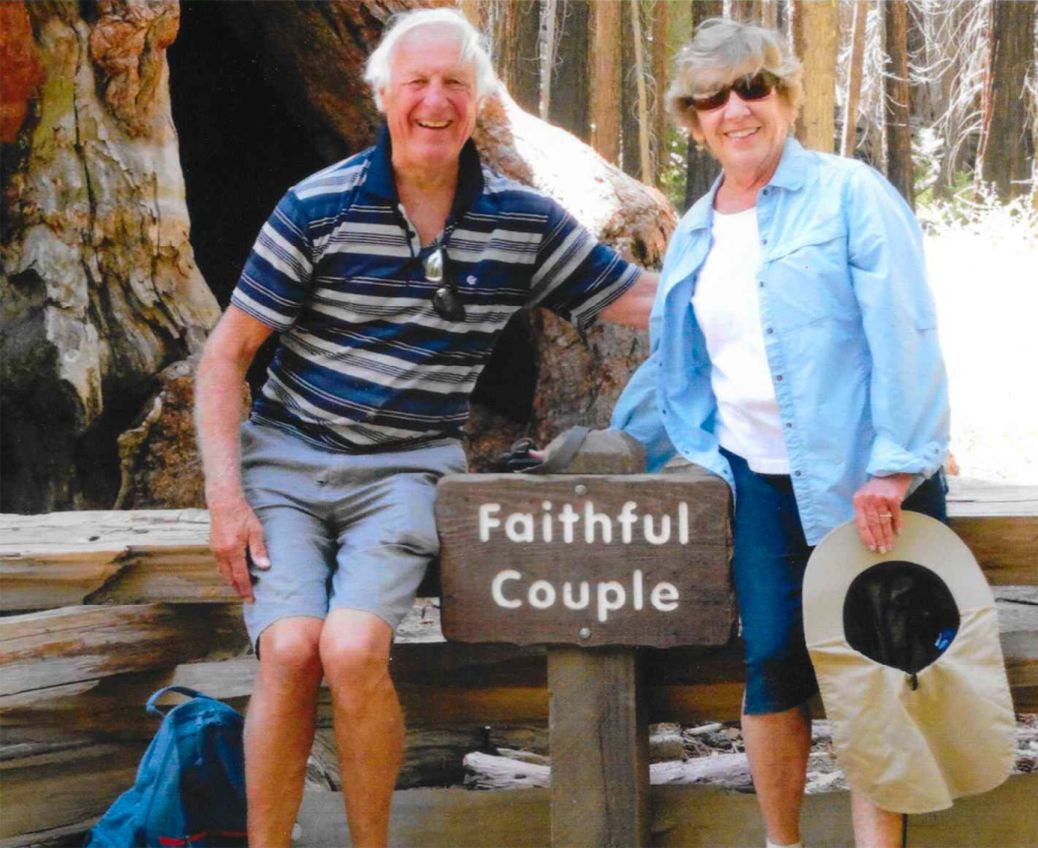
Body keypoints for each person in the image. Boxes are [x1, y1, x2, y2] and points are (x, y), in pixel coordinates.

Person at [194, 9, 656, 845]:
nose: (435, 101)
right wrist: (226, 499)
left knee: (353, 651)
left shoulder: (521, 220)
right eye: (417, 83)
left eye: (454, 84)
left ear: (479, 101)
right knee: (292, 649)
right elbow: (226, 358)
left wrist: (762, 297)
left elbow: (638, 299)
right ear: (382, 96)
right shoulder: (317, 207)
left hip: (408, 469)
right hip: (285, 463)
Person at [611, 18, 949, 848]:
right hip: (758, 479)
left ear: (786, 97)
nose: (737, 109)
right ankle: (782, 842)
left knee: (876, 671)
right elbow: (683, 366)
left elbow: (904, 331)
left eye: (754, 87)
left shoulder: (849, 193)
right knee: (770, 666)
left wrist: (896, 468)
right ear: (694, 119)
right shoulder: (694, 230)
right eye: (714, 97)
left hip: (865, 482)